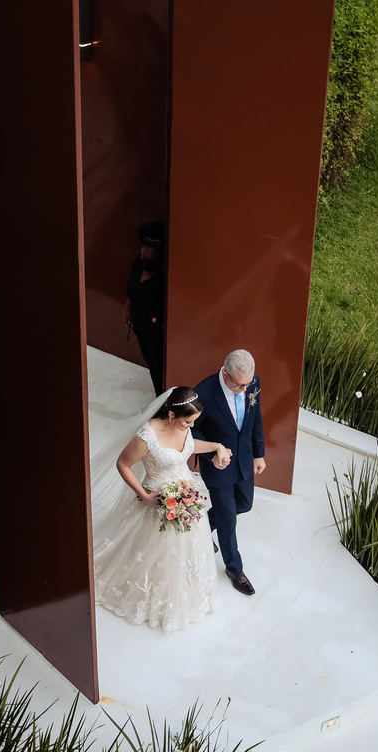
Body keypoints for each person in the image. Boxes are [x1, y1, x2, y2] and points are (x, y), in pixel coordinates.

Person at [91, 386, 233, 633]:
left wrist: (216, 446)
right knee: (153, 552)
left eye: (193, 422)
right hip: (158, 501)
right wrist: (144, 496)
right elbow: (123, 463)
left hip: (185, 498)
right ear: (170, 416)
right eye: (187, 422)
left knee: (190, 549)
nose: (189, 427)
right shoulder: (147, 436)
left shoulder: (183, 429)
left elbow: (189, 445)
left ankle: (187, 596)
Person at [192, 350, 265, 596]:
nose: (246, 389)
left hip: (244, 459)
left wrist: (259, 453)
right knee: (228, 519)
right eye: (240, 384)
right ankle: (234, 569)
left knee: (244, 504)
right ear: (226, 374)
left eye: (248, 383)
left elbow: (256, 418)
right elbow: (192, 431)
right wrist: (212, 454)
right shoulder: (203, 393)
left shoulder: (251, 382)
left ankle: (202, 526)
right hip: (218, 466)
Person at [124, 222, 166, 396]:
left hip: (155, 331)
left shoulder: (164, 277)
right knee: (151, 366)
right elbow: (133, 291)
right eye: (143, 256)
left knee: (160, 370)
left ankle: (163, 405)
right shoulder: (138, 266)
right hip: (140, 325)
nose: (146, 261)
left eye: (151, 259)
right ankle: (158, 401)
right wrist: (127, 308)